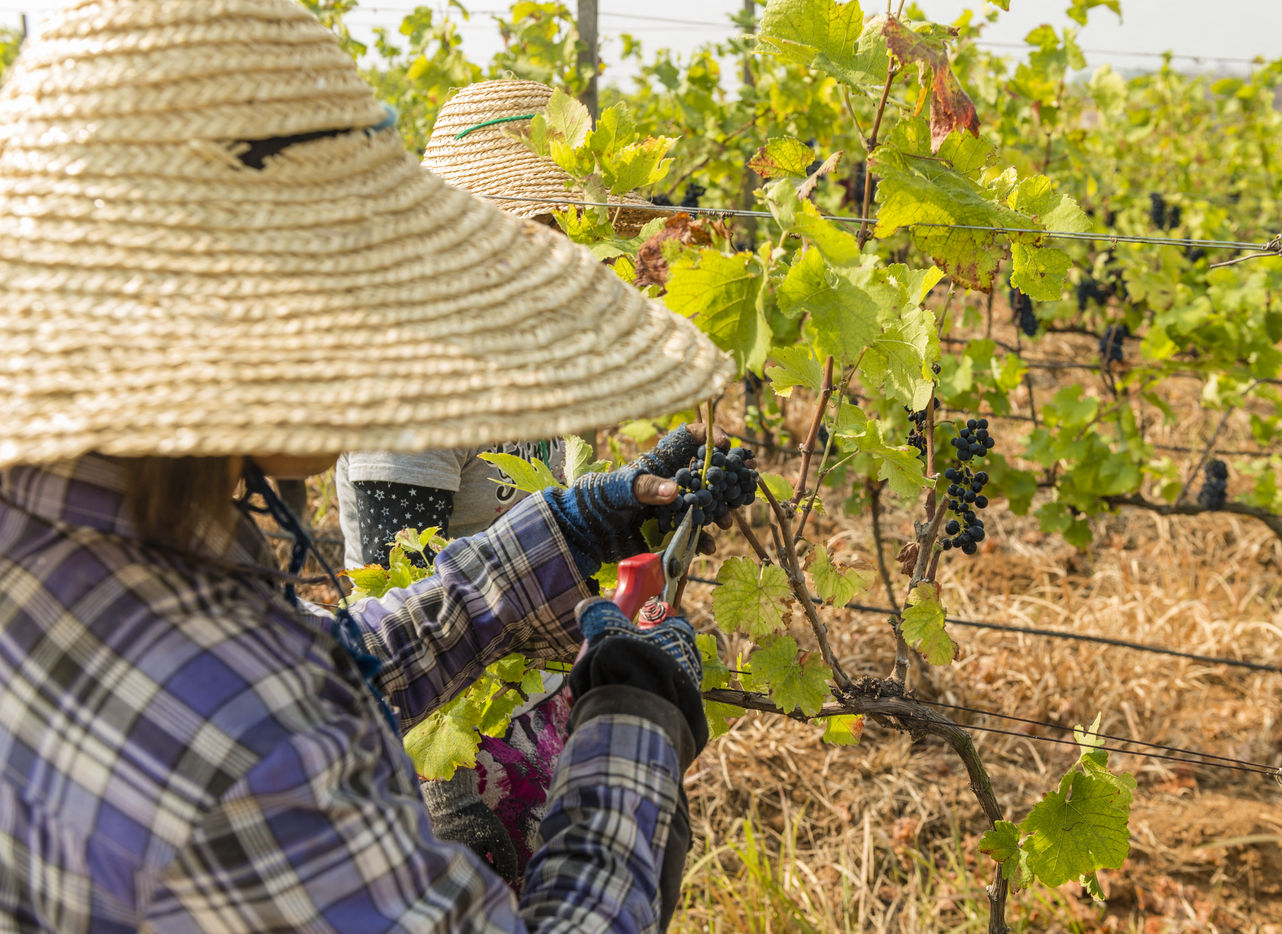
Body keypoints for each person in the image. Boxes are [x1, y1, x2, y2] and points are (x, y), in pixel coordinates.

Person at [0, 2, 733, 932]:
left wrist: (561, 532)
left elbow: (320, 663)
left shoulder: (69, 546)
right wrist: (636, 721)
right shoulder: (254, 740)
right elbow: (269, 708)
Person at [338, 79, 667, 884]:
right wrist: (443, 792)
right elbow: (399, 594)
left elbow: (530, 537)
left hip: (529, 712)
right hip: (451, 743)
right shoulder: (413, 380)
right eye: (551, 233)